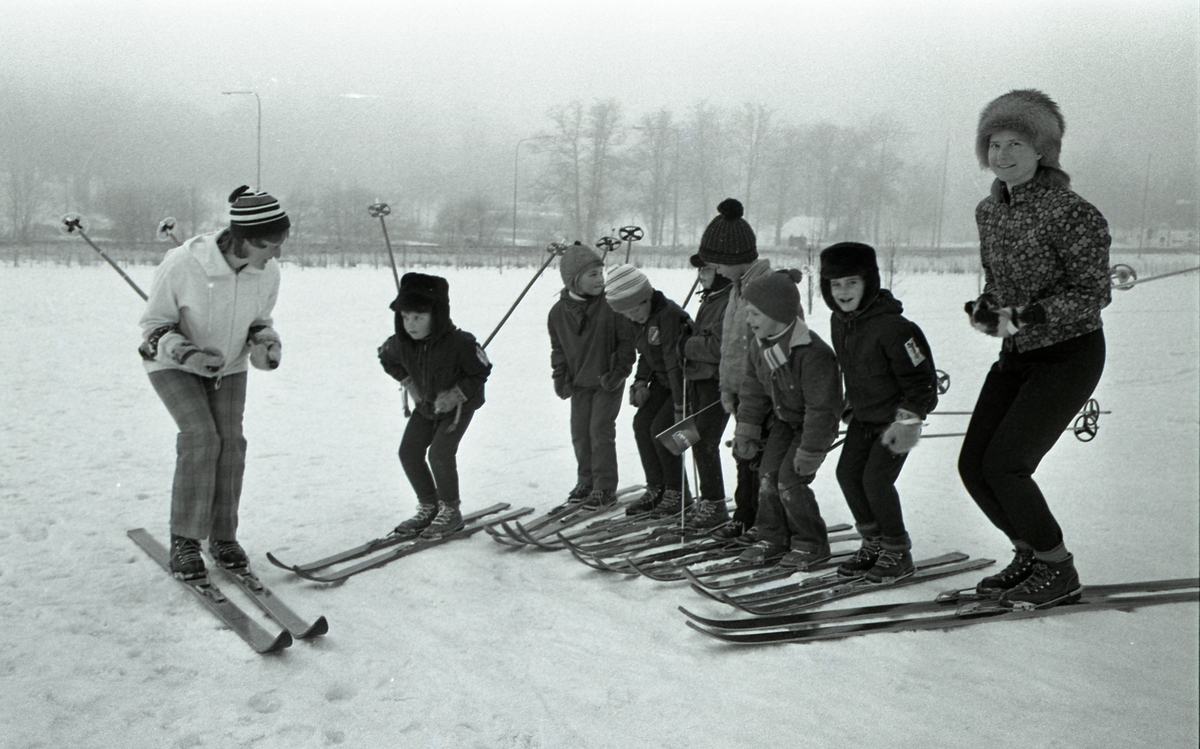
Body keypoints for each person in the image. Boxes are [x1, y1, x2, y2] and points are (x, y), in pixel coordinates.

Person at [959, 89, 1111, 607]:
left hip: (1069, 354)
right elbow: (998, 280)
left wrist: (1028, 315)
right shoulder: (989, 210)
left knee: (1006, 464)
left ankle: (1057, 567)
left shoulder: (1073, 213)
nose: (1002, 154)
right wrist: (988, 308)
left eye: (1015, 143)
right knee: (974, 465)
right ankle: (1028, 553)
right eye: (994, 143)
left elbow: (1093, 294)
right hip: (1018, 353)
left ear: (1042, 150)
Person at [138, 186, 289, 578]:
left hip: (230, 367)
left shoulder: (267, 272)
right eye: (270, 245)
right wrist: (189, 354)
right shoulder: (183, 263)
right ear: (245, 239)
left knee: (231, 443)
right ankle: (186, 540)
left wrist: (265, 344)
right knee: (201, 438)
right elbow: (153, 327)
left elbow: (260, 321)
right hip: (172, 363)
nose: (277, 254)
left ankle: (222, 537)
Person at [820, 242, 940, 582]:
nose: (843, 292)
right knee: (847, 475)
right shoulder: (840, 321)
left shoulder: (896, 328)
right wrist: (849, 402)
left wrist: (909, 420)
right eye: (835, 284)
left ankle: (897, 550)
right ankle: (873, 542)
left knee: (876, 481)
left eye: (852, 282)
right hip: (863, 417)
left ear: (869, 282)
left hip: (894, 422)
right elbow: (853, 368)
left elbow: (922, 381)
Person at [733, 270, 842, 568]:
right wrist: (747, 430)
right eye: (748, 312)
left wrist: (811, 451)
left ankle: (811, 542)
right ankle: (773, 536)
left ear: (777, 313)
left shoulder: (812, 353)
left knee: (790, 482)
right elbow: (753, 390)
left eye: (755, 313)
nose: (749, 319)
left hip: (813, 426)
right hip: (784, 422)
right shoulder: (760, 345)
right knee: (767, 475)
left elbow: (822, 409)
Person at [379, 273, 492, 538]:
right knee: (409, 452)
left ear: (436, 315)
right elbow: (386, 358)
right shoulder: (401, 344)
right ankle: (429, 505)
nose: (410, 324)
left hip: (458, 409)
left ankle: (451, 511)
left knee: (440, 453)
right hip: (425, 406)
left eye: (418, 317)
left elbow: (481, 370)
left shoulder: (461, 343)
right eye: (405, 317)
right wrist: (410, 384)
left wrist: (455, 395)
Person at [697, 198, 773, 540]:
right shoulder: (738, 288)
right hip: (742, 390)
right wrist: (728, 387)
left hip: (763, 394)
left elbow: (772, 347)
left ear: (734, 258)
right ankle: (745, 517)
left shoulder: (766, 288)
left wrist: (762, 394)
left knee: (758, 461)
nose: (715, 269)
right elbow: (732, 343)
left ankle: (764, 522)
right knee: (743, 457)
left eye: (717, 262)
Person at [547, 242, 637, 510]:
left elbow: (627, 343)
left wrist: (619, 371)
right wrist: (560, 376)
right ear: (574, 280)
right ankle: (586, 481)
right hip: (579, 383)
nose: (600, 279)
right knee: (580, 432)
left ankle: (604, 487)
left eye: (601, 273)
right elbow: (558, 349)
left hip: (607, 380)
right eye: (592, 274)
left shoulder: (612, 305)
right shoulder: (558, 313)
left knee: (600, 431)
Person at [604, 264, 694, 519]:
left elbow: (674, 363)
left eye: (634, 310)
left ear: (646, 298)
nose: (632, 317)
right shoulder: (641, 318)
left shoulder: (668, 316)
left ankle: (679, 492)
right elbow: (646, 353)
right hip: (664, 382)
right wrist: (640, 381)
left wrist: (681, 406)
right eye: (626, 313)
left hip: (686, 383)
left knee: (663, 430)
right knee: (641, 424)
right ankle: (657, 487)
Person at [680, 254, 734, 530]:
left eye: (707, 269)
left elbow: (717, 347)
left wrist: (687, 344)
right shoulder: (712, 298)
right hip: (699, 380)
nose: (701, 275)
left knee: (704, 441)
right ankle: (697, 497)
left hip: (716, 383)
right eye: (700, 270)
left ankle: (715, 504)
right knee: (685, 438)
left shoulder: (728, 301)